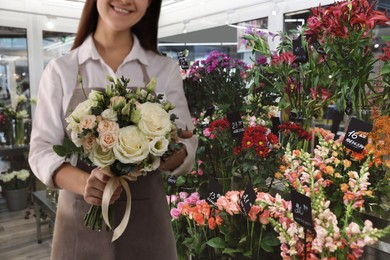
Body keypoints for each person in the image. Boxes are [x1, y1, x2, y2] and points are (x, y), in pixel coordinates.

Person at [28, 0, 198, 259]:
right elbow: (41, 150)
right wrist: (87, 183)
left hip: (147, 222)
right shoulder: (62, 70)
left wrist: (166, 148)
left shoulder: (163, 69)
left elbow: (186, 143)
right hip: (79, 217)